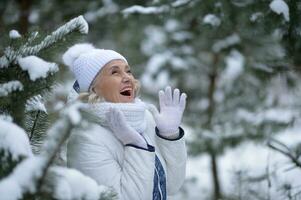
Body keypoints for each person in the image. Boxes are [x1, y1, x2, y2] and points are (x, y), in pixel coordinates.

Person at [63, 43, 187, 200]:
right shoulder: (85, 138)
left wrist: (169, 136)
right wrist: (135, 146)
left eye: (128, 71)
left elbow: (172, 186)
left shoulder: (143, 119)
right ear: (93, 88)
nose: (128, 77)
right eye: (115, 72)